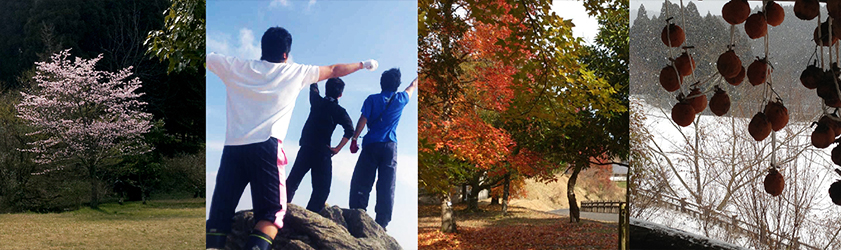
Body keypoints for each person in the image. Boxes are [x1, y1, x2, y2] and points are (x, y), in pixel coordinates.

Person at [205, 26, 377, 250]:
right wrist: (363, 64)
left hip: (233, 150)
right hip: (268, 147)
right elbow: (334, 69)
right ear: (285, 54)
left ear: (262, 48)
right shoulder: (295, 73)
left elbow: (208, 57)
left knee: (220, 215)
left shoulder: (235, 67)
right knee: (272, 215)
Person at [347, 68, 417, 229]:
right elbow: (412, 86)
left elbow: (362, 120)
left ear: (381, 83)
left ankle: (358, 211)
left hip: (371, 144)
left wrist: (355, 138)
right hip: (390, 146)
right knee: (387, 184)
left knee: (362, 180)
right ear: (397, 85)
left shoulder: (372, 99)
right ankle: (382, 222)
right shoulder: (400, 99)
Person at [285, 78, 354, 213]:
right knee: (321, 189)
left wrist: (317, 77)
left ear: (326, 89)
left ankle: (280, 210)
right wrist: (337, 148)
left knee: (293, 181)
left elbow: (313, 86)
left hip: (306, 147)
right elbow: (350, 130)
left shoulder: (317, 101)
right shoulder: (339, 111)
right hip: (323, 151)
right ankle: (309, 217)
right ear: (340, 94)